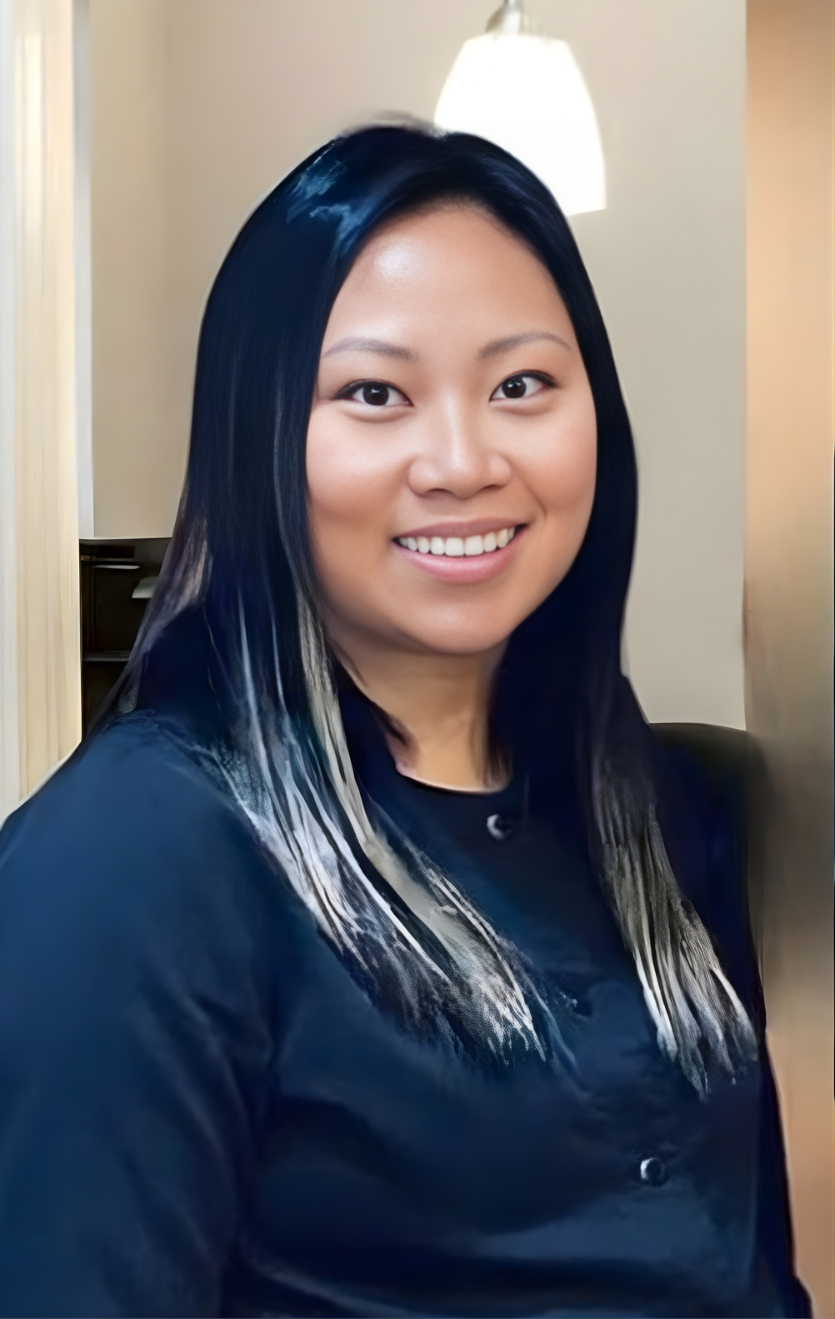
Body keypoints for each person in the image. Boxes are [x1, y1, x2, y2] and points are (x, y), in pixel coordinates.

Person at [0, 121, 812, 1319]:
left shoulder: (653, 802)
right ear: (259, 437)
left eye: (521, 384)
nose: (462, 458)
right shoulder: (138, 852)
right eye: (374, 393)